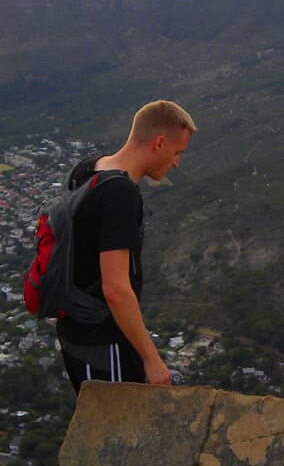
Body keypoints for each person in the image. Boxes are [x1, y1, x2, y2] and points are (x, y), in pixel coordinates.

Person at [56, 100, 196, 393]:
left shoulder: (88, 169)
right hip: (105, 343)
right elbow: (116, 289)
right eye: (177, 152)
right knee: (120, 432)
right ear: (159, 142)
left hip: (74, 331)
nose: (176, 162)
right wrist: (152, 359)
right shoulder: (120, 193)